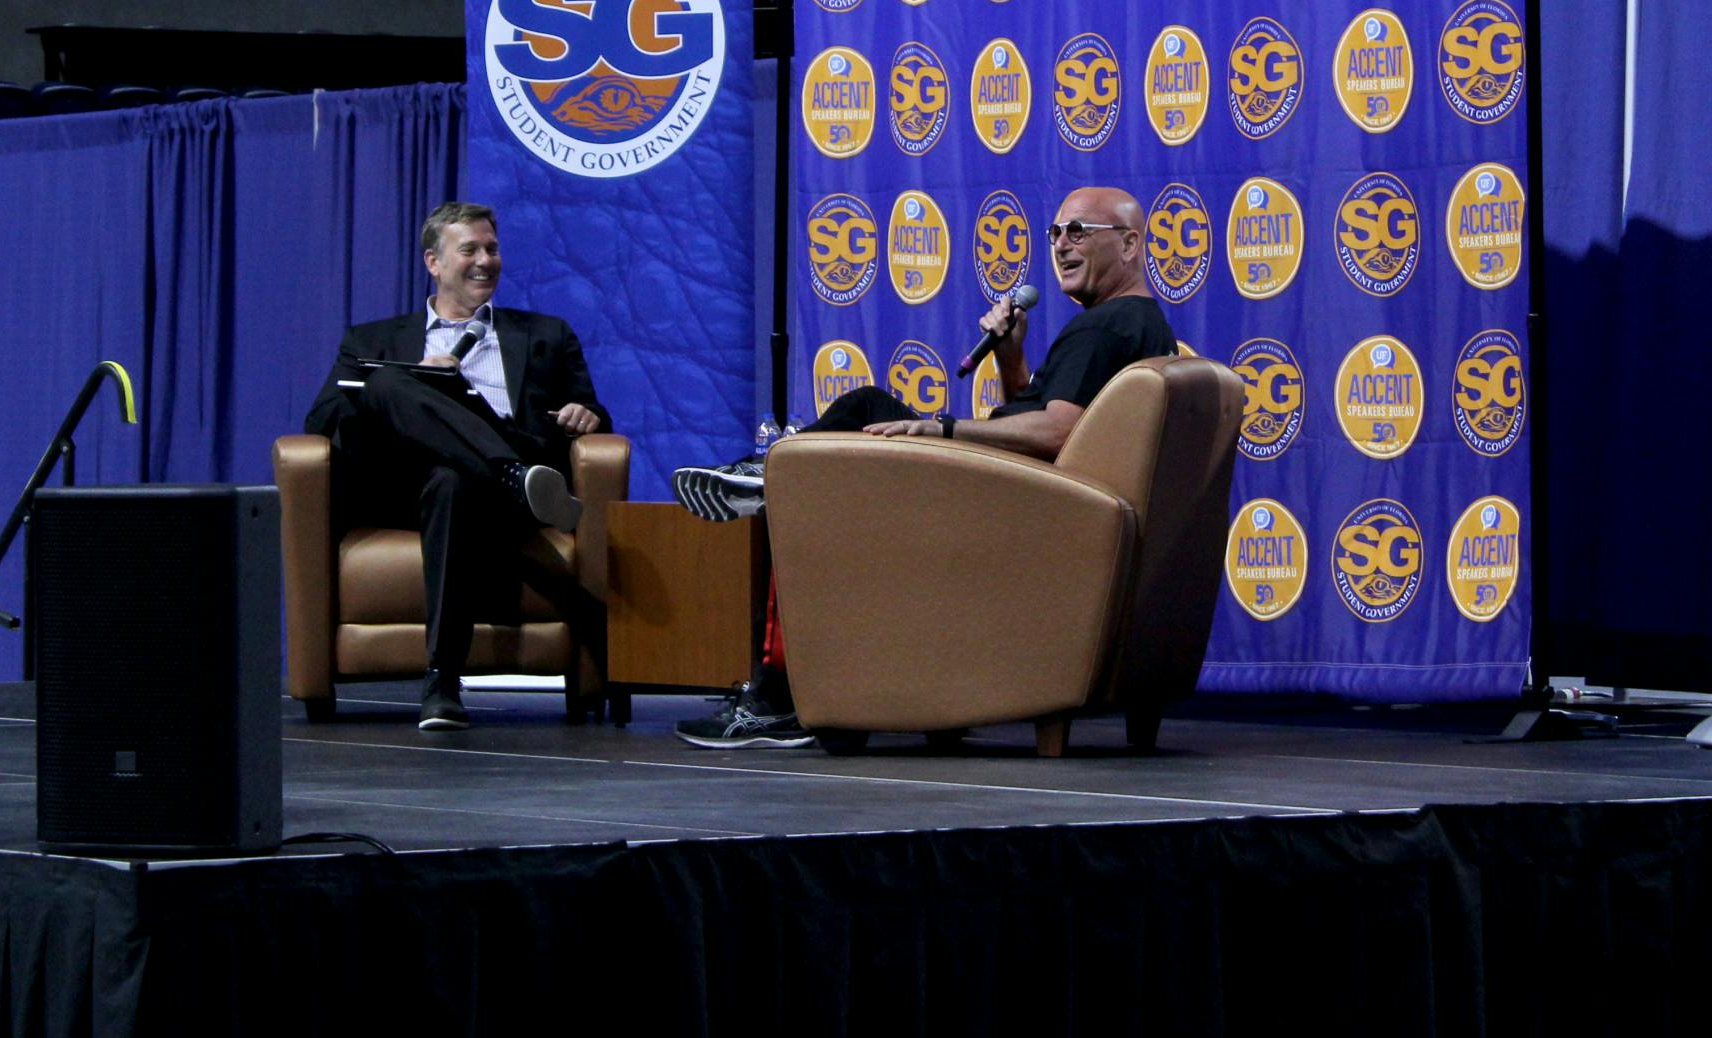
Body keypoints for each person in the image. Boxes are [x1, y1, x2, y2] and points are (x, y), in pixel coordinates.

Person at [668, 185, 1176, 748]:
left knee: (856, 422)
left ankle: (768, 490)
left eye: (1079, 231)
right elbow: (1056, 425)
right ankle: (771, 481)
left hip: (1011, 507)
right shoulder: (1142, 325)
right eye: (1054, 232)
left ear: (1130, 244)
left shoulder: (1104, 325)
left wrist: (943, 428)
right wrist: (1011, 356)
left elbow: (1056, 434)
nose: (1060, 244)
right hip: (1040, 504)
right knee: (843, 447)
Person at [305, 202, 612, 732]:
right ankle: (511, 475)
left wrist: (587, 414)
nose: (485, 260)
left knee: (451, 481)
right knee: (389, 385)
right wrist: (412, 388)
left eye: (491, 248)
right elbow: (321, 419)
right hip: (403, 485)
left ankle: (442, 682)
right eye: (469, 249)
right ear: (434, 262)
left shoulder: (544, 334)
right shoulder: (372, 341)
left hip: (487, 493)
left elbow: (594, 413)